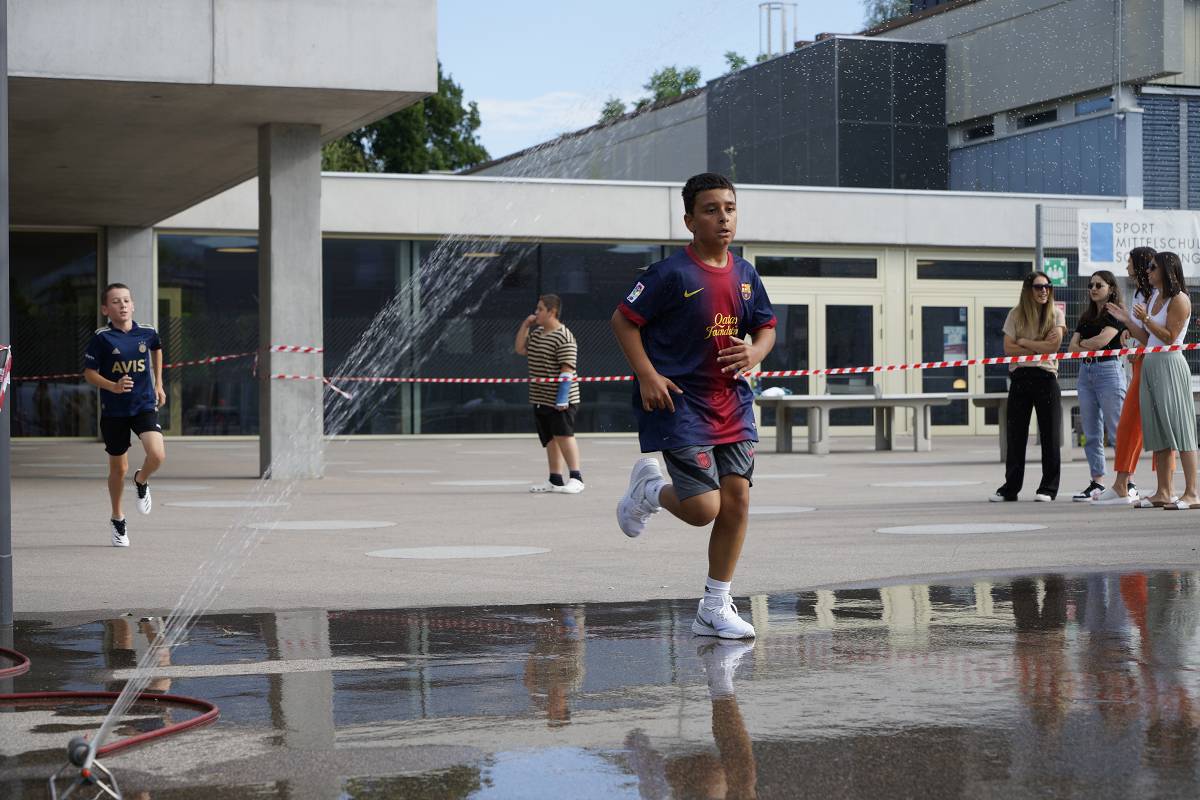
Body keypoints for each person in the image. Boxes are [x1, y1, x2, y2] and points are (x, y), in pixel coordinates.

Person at [610, 172, 776, 639]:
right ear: (689, 221)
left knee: (737, 500)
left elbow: (765, 326)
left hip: (732, 403)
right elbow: (623, 321)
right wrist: (647, 374)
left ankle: (714, 606)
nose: (723, 218)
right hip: (680, 404)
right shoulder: (669, 274)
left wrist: (756, 352)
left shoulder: (745, 274)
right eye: (711, 210)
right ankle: (649, 492)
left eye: (730, 208)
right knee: (704, 508)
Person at [83, 283, 166, 547]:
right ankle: (118, 518)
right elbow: (89, 373)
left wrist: (158, 383)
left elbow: (157, 348)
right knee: (119, 469)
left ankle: (141, 480)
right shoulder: (102, 337)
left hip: (143, 405)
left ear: (133, 305)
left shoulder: (147, 332)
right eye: (116, 301)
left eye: (126, 300)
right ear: (105, 309)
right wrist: (113, 386)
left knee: (157, 455)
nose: (123, 305)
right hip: (114, 411)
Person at [990, 271, 1067, 502]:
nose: (1044, 291)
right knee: (1016, 435)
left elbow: (1053, 347)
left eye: (1048, 286)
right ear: (1028, 290)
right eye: (1038, 287)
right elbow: (1009, 348)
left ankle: (1048, 488)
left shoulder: (1055, 313)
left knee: (1050, 435)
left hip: (1046, 376)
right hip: (1020, 377)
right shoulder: (1015, 314)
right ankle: (1010, 488)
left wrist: (1023, 342)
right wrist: (1038, 346)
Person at [1129, 252, 1198, 509]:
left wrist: (1146, 319)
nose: (1148, 271)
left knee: (1181, 428)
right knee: (1158, 429)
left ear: (1167, 271)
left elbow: (1170, 337)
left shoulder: (1179, 300)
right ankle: (1163, 492)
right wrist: (1127, 321)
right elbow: (1149, 338)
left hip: (1170, 364)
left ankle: (1192, 493)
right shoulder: (1155, 296)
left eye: (1152, 267)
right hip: (1151, 363)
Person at [1093, 248, 1157, 505]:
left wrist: (1130, 325)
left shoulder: (1156, 294)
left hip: (1155, 364)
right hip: (1142, 361)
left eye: (1129, 262)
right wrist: (1131, 337)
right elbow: (1144, 333)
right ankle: (1123, 483)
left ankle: (1148, 486)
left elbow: (1156, 334)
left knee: (1142, 425)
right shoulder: (1142, 292)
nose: (1126, 266)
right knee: (1130, 425)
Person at [515, 293, 584, 494]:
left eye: (540, 309)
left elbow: (567, 369)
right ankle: (555, 479)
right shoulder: (537, 334)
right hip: (541, 397)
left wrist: (562, 398)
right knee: (550, 439)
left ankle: (576, 478)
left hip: (561, 399)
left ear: (552, 312)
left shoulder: (564, 336)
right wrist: (525, 326)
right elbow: (520, 349)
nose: (536, 313)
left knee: (564, 435)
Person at [1068, 270, 1128, 501]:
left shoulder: (1115, 313)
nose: (1093, 289)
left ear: (1111, 288)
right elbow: (1072, 348)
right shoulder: (1086, 316)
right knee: (1091, 432)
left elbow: (1102, 341)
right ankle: (1097, 482)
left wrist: (1084, 343)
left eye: (1098, 285)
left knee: (1117, 431)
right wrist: (1088, 344)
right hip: (1086, 372)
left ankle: (1127, 481)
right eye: (1091, 285)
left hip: (1109, 371)